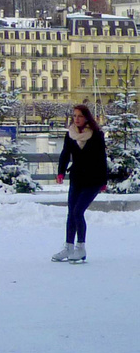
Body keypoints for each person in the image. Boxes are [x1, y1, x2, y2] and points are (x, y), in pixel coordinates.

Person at [53, 104, 108, 263]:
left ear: (86, 118)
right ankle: (68, 247)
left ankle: (81, 248)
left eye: (80, 116)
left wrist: (104, 181)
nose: (76, 119)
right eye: (74, 115)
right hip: (77, 178)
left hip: (93, 180)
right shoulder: (70, 134)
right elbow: (65, 154)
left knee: (78, 212)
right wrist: (61, 172)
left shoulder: (96, 135)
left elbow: (101, 158)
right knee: (71, 212)